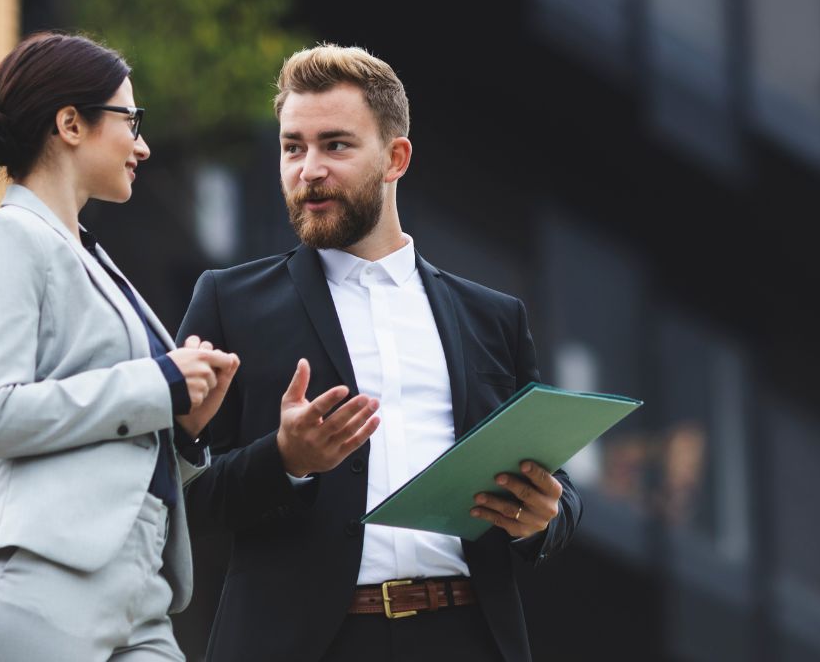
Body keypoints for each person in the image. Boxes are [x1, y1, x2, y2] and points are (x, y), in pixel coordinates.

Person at [178, 44, 581, 662]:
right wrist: (284, 459)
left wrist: (545, 517)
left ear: (396, 158)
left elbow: (555, 485)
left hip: (467, 635)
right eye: (293, 147)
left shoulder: (493, 318)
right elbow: (176, 493)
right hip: (304, 645)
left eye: (335, 145)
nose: (308, 169)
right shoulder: (229, 302)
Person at [0, 31, 239, 662]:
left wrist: (181, 429)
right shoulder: (5, 239)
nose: (144, 144)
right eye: (131, 120)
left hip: (142, 599)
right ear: (70, 123)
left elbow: (116, 449)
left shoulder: (94, 261)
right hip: (36, 582)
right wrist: (158, 385)